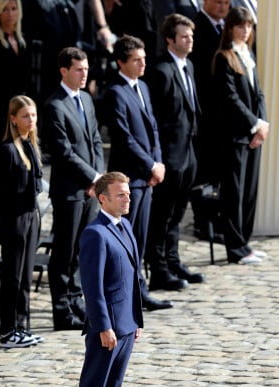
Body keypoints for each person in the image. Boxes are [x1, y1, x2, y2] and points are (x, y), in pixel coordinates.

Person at [104, 35, 176, 308]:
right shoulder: (115, 93)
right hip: (129, 178)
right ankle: (125, 294)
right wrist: (150, 165)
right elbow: (124, 138)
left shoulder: (143, 87)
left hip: (147, 177)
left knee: (140, 239)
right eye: (136, 60)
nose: (143, 63)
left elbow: (153, 128)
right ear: (121, 62)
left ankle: (138, 291)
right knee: (126, 238)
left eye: (144, 58)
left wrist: (158, 163)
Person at [43, 46, 104, 330]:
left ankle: (77, 301)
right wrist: (92, 177)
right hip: (69, 190)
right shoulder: (54, 105)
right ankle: (61, 309)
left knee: (83, 250)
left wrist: (99, 177)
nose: (84, 75)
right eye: (78, 69)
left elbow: (94, 139)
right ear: (64, 71)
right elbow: (63, 152)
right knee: (64, 252)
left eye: (86, 69)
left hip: (90, 190)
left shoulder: (87, 100)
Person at [144, 14, 205, 289]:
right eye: (184, 36)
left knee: (179, 212)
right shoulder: (161, 70)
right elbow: (156, 117)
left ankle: (172, 259)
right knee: (162, 214)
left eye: (191, 35)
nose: (189, 39)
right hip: (169, 154)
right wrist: (159, 156)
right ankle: (158, 268)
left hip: (188, 152)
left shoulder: (188, 65)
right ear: (170, 39)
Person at [0, 95, 44, 348]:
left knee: (25, 276)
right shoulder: (6, 150)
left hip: (31, 215)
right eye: (25, 116)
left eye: (33, 115)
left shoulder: (29, 144)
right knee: (12, 276)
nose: (30, 120)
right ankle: (8, 330)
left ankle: (22, 326)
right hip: (14, 218)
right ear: (13, 118)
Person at [212, 6, 268, 264]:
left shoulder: (248, 54)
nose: (245, 31)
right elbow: (230, 99)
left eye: (248, 26)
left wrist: (262, 123)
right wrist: (253, 123)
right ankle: (234, 248)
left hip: (253, 135)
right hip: (234, 137)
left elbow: (258, 94)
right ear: (230, 28)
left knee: (249, 192)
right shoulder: (225, 57)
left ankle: (245, 244)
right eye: (240, 26)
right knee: (234, 194)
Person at [79, 171, 143, 387]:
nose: (127, 200)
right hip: (108, 329)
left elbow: (132, 276)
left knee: (115, 382)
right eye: (120, 196)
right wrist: (104, 327)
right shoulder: (95, 233)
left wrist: (136, 320)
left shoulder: (125, 225)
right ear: (103, 199)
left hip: (127, 324)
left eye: (128, 194)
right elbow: (92, 287)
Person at [189, 0, 230, 240]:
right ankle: (203, 223)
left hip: (223, 116)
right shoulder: (196, 28)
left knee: (219, 174)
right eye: (218, 1)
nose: (223, 6)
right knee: (204, 174)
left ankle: (217, 221)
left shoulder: (227, 27)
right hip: (205, 115)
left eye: (226, 2)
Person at [0, 0, 32, 169]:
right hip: (1, 111)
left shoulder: (23, 41)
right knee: (2, 157)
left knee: (22, 156)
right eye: (5, 10)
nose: (10, 14)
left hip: (23, 109)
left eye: (13, 9)